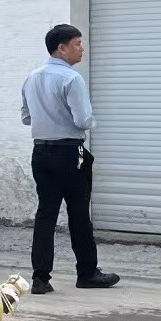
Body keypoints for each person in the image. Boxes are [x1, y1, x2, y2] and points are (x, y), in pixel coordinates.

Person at [21, 24, 119, 294]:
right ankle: (87, 273)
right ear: (61, 48)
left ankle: (40, 278)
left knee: (46, 214)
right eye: (77, 43)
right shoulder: (72, 79)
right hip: (69, 153)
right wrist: (91, 119)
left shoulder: (32, 78)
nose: (81, 48)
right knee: (79, 214)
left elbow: (26, 117)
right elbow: (83, 120)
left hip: (41, 152)